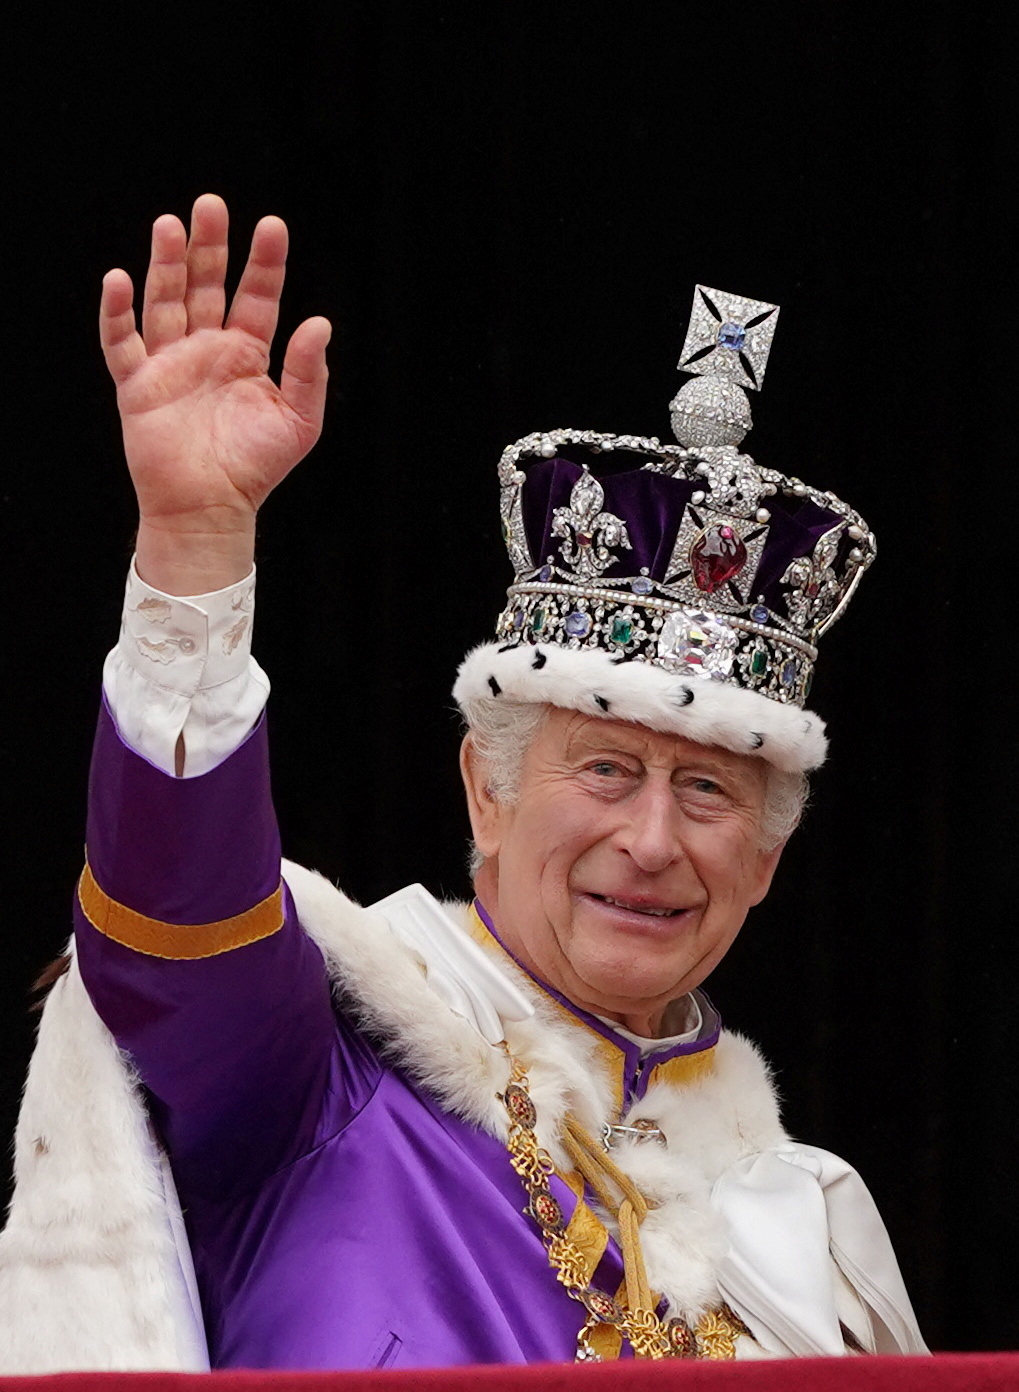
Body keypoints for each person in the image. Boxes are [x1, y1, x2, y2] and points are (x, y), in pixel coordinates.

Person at [0, 196, 926, 1371]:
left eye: (707, 794)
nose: (649, 841)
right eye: (603, 769)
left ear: (765, 860)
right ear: (483, 791)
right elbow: (176, 921)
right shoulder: (319, 1077)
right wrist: (194, 551)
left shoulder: (809, 1233)